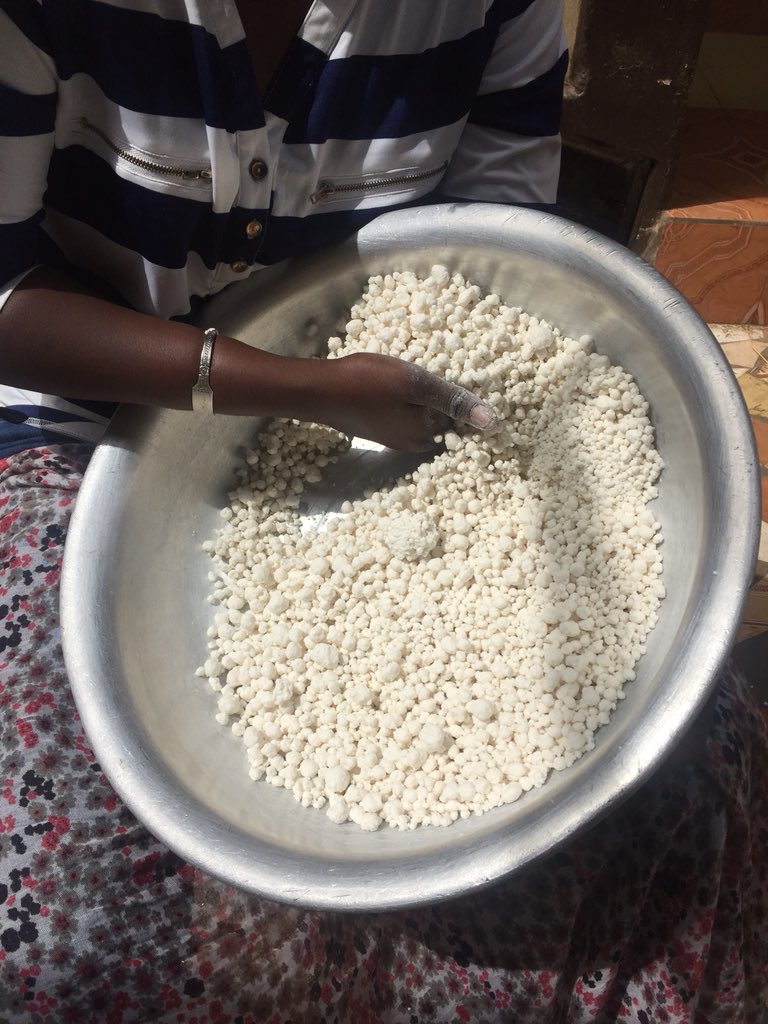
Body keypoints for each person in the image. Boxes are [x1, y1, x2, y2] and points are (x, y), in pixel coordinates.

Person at [0, 2, 766, 1021]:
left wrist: (409, 392)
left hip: (381, 386)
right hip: (79, 418)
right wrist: (302, 389)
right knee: (85, 905)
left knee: (700, 784)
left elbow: (497, 231)